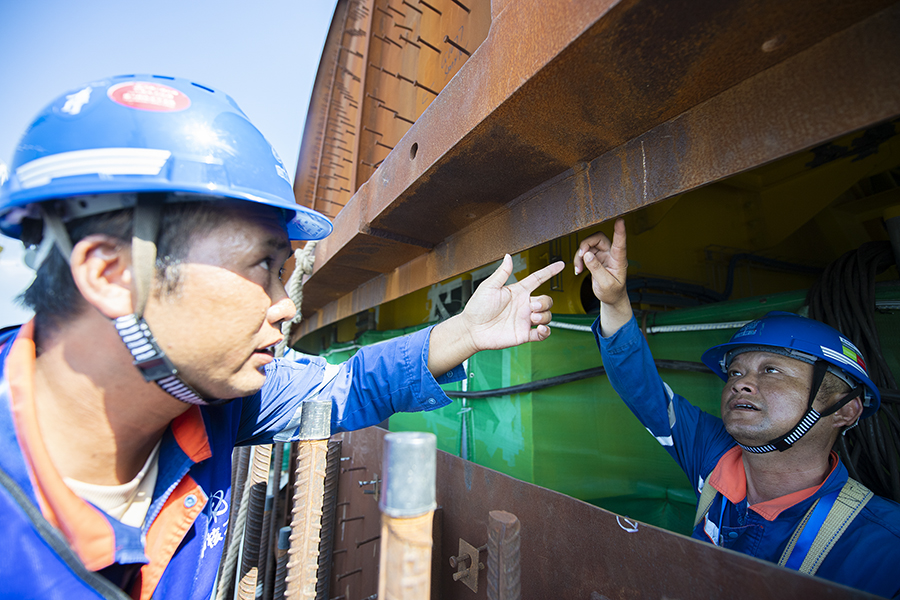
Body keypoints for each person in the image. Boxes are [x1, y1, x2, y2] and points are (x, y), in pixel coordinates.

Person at [0, 75, 565, 600]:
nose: (283, 307)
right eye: (262, 267)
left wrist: (464, 331)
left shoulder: (218, 399)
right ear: (113, 274)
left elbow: (348, 387)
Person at [575, 218, 900, 598]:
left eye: (772, 370)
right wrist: (614, 302)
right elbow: (642, 391)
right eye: (735, 371)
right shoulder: (716, 457)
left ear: (845, 410)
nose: (740, 382)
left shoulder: (884, 547)